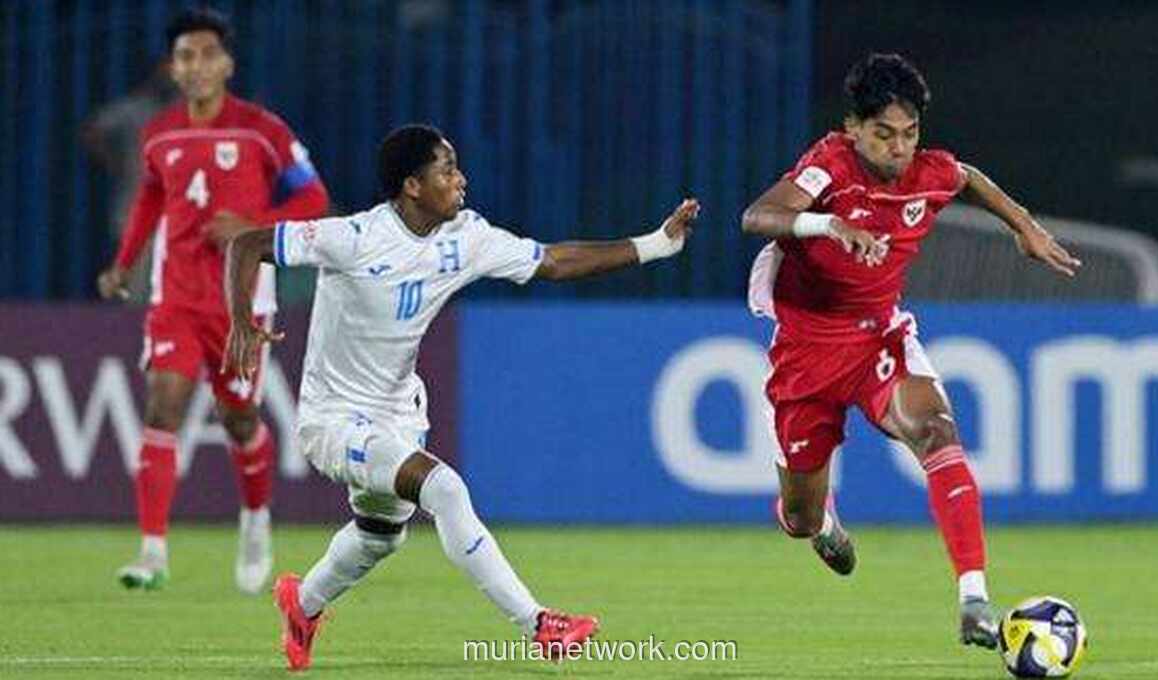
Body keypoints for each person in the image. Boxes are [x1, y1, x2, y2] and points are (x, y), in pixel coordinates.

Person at [221, 124, 700, 670]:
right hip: (333, 419)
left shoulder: (466, 238)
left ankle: (303, 605)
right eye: (446, 170)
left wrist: (657, 245)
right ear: (412, 186)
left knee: (380, 537)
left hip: (398, 412)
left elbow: (554, 262)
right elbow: (248, 243)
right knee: (443, 487)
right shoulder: (352, 238)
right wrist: (240, 318)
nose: (461, 179)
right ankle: (539, 624)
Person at [740, 53, 1081, 649]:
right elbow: (758, 216)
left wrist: (1024, 225)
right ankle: (820, 521)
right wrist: (828, 226)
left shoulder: (929, 173)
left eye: (909, 134)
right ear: (853, 128)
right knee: (798, 518)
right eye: (883, 134)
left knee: (937, 434)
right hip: (806, 351)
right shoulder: (830, 166)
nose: (898, 149)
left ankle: (974, 599)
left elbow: (968, 175)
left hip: (879, 336)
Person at [96, 8, 330, 594]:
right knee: (162, 406)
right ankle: (152, 552)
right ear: (172, 68)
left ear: (227, 63)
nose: (196, 66)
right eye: (185, 56)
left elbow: (314, 201)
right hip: (173, 294)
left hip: (242, 299)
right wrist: (125, 262)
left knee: (239, 417)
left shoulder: (263, 130)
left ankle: (255, 519)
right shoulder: (161, 133)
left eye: (206, 54)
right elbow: (151, 200)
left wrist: (253, 225)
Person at [82, 59, 177, 303]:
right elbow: (93, 130)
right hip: (135, 206)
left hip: (179, 210)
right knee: (136, 285)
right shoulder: (134, 109)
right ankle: (132, 335)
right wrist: (114, 161)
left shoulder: (186, 110)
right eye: (164, 72)